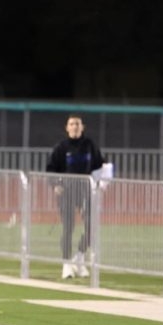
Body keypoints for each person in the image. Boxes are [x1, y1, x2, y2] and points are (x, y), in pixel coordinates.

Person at [45, 114, 104, 279]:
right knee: (68, 228)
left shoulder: (90, 146)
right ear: (67, 127)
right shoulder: (61, 148)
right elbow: (50, 169)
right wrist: (56, 184)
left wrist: (103, 181)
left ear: (82, 127)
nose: (75, 127)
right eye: (72, 124)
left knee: (91, 226)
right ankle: (66, 264)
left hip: (85, 191)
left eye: (77, 124)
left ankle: (79, 257)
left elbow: (100, 165)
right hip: (67, 193)